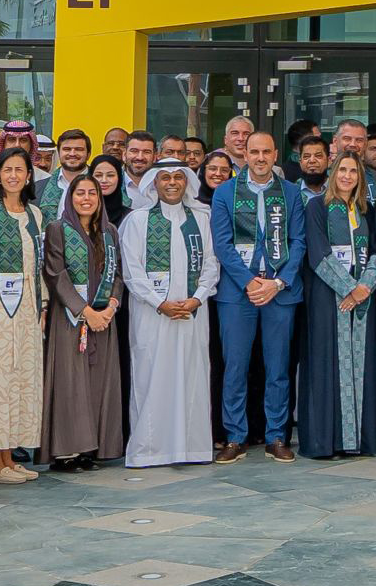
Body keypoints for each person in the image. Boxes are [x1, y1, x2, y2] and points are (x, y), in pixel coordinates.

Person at [213, 131, 306, 460]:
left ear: (276, 154)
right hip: (238, 294)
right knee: (235, 367)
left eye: (267, 151)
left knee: (278, 368)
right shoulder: (225, 193)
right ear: (244, 154)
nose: (261, 157)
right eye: (255, 152)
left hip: (279, 292)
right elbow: (222, 245)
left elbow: (298, 242)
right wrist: (250, 282)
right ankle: (235, 436)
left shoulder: (291, 194)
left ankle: (276, 435)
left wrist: (278, 283)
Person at [123, 163, 221, 468]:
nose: (172, 183)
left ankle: (192, 449)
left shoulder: (201, 219)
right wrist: (159, 302)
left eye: (179, 177)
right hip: (151, 315)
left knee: (192, 377)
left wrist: (197, 298)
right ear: (154, 183)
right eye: (165, 177)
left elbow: (211, 264)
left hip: (193, 313)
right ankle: (149, 450)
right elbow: (132, 271)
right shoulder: (137, 220)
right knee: (151, 377)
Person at [297, 147, 376, 458]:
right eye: (342, 170)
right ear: (332, 173)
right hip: (328, 299)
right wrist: (348, 288)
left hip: (365, 299)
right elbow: (318, 254)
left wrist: (364, 287)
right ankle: (330, 440)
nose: (347, 176)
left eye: (353, 171)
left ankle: (362, 440)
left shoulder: (368, 210)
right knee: (328, 364)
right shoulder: (316, 208)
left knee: (363, 365)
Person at [0, 144, 49, 483]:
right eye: (7, 171)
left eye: (20, 170)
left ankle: (9, 457)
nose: (14, 176)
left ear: (29, 175)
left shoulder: (35, 215)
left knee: (19, 382)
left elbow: (40, 265)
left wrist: (43, 306)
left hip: (27, 312)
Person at [44, 166, 128, 471]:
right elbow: (55, 273)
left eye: (92, 192)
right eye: (80, 192)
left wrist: (111, 307)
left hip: (105, 319)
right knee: (71, 382)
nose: (87, 198)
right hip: (71, 319)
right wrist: (85, 311)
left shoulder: (110, 232)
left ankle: (92, 448)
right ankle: (67, 450)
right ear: (70, 197)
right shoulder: (57, 228)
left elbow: (117, 273)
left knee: (98, 382)